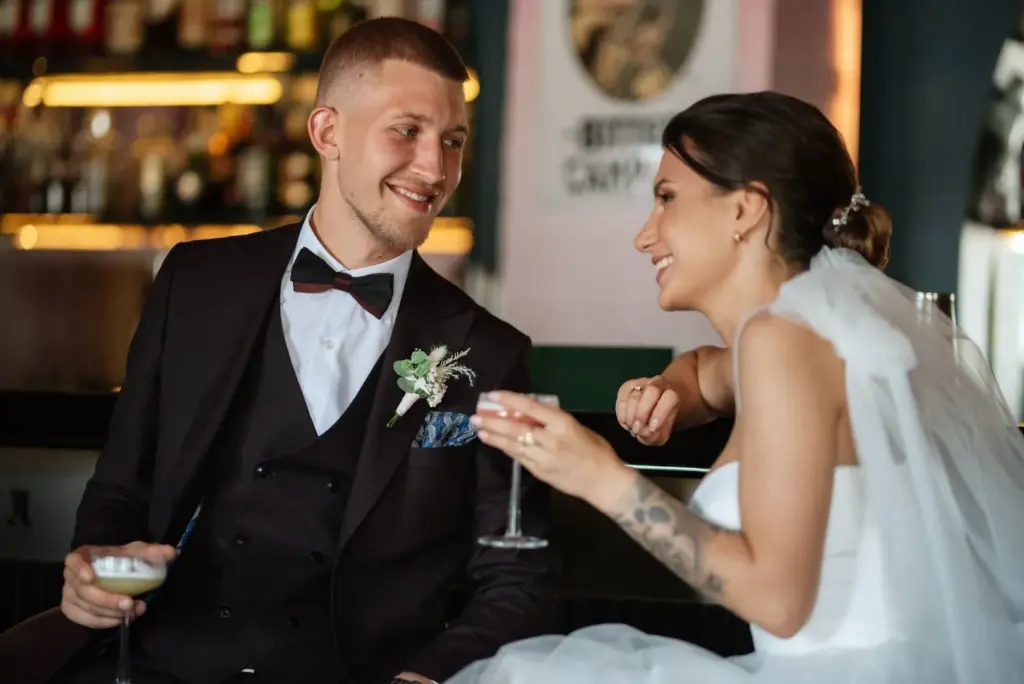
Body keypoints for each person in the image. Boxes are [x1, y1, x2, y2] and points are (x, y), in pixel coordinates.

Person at [447, 91, 1024, 683]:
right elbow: (706, 371)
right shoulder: (806, 340)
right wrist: (670, 389)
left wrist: (599, 476)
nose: (644, 237)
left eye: (666, 199)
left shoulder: (784, 343)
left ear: (746, 210)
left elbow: (778, 603)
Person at [50, 17, 556, 684]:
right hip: (161, 667)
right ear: (327, 133)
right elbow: (121, 489)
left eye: (453, 140)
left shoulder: (488, 349)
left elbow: (516, 582)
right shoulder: (195, 284)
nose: (435, 169)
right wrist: (92, 570)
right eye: (406, 131)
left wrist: (423, 677)